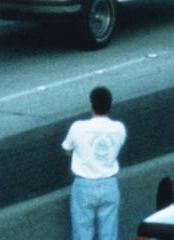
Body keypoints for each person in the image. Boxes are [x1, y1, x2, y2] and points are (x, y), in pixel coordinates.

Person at [62, 86, 126, 240]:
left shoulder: (77, 127)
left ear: (91, 105)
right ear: (110, 106)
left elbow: (67, 149)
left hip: (84, 185)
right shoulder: (119, 128)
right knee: (109, 234)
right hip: (110, 184)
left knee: (82, 232)